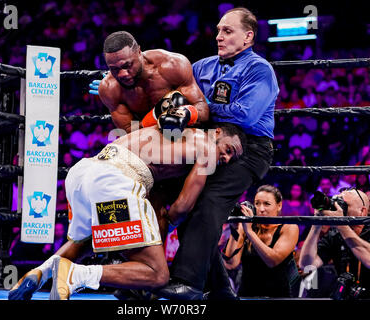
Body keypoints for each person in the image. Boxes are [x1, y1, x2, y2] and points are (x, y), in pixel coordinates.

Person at [8, 123, 246, 300]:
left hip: (84, 172)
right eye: (228, 148)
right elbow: (183, 206)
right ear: (216, 132)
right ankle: (76, 274)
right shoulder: (206, 147)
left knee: (86, 239)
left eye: (230, 157)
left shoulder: (169, 133)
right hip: (115, 180)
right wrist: (167, 224)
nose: (224, 157)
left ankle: (41, 271)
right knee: (157, 275)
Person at [157, 7, 278, 300]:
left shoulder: (259, 69)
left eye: (227, 31)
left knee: (209, 202)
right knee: (177, 200)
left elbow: (246, 116)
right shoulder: (201, 67)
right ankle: (220, 288)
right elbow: (169, 94)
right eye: (218, 30)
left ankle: (188, 282)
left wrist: (200, 107)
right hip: (206, 143)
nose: (219, 36)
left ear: (248, 36)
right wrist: (126, 87)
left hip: (248, 148)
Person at [94, 30, 210, 134]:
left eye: (127, 65)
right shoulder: (109, 88)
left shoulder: (173, 66)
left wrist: (186, 114)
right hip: (146, 143)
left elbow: (202, 110)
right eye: (114, 69)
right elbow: (129, 132)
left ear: (139, 52)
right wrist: (154, 119)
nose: (122, 74)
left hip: (185, 133)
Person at [222, 185, 300, 297]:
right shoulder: (246, 227)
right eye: (257, 203)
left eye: (266, 204)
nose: (261, 209)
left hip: (277, 296)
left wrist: (249, 232)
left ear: (279, 206)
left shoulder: (289, 228)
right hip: (247, 295)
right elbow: (231, 264)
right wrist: (235, 229)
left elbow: (272, 261)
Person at [299, 188, 370, 299]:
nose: (338, 208)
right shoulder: (335, 235)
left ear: (362, 211)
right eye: (336, 203)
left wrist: (341, 224)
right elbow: (307, 264)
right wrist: (317, 223)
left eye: (343, 204)